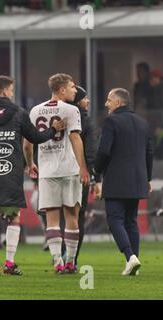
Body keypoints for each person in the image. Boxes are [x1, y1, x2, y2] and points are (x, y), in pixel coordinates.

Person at [0, 75, 64, 276]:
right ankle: (9, 263)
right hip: (11, 171)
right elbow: (35, 137)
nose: (12, 93)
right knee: (13, 216)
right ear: (5, 91)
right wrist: (53, 130)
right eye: (11, 90)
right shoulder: (19, 112)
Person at [24, 73, 90, 274]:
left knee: (52, 219)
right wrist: (83, 167)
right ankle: (70, 261)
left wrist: (30, 163)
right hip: (69, 169)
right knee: (72, 216)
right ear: (61, 90)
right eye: (71, 87)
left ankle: (57, 262)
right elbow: (75, 139)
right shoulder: (72, 110)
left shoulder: (35, 110)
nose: (75, 90)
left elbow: (27, 143)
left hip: (47, 171)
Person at [94, 88, 153, 276]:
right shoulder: (143, 123)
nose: (106, 104)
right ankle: (133, 262)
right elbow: (149, 153)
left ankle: (130, 257)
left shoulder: (111, 121)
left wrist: (97, 170)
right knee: (131, 221)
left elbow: (104, 151)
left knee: (114, 220)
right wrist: (148, 178)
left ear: (119, 103)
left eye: (109, 100)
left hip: (117, 180)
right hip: (138, 180)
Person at [60, 85, 98, 268]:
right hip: (78, 174)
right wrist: (90, 173)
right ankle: (72, 258)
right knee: (77, 215)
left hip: (57, 171)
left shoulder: (57, 116)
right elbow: (91, 151)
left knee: (58, 215)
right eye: (84, 98)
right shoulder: (87, 122)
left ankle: (59, 256)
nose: (88, 101)